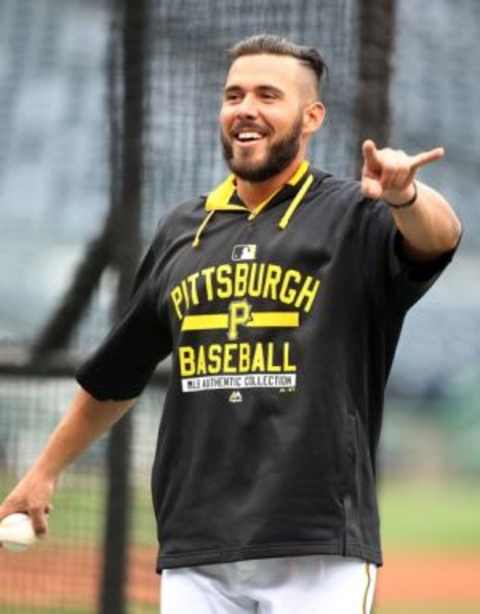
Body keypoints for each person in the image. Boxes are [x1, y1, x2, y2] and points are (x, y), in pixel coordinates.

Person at [0, 34, 461, 613]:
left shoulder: (355, 215)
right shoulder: (182, 230)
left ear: (311, 116)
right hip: (197, 544)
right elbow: (117, 374)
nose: (246, 108)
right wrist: (43, 472)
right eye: (234, 95)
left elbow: (439, 238)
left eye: (269, 95)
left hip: (315, 546)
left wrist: (405, 195)